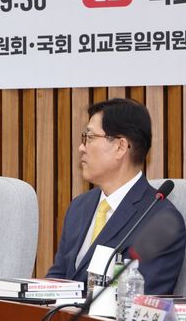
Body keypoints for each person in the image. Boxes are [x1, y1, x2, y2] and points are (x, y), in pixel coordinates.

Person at [46, 98, 185, 295]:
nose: (81, 148)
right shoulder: (79, 207)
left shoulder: (161, 222)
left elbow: (142, 300)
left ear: (120, 147)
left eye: (90, 137)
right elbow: (57, 278)